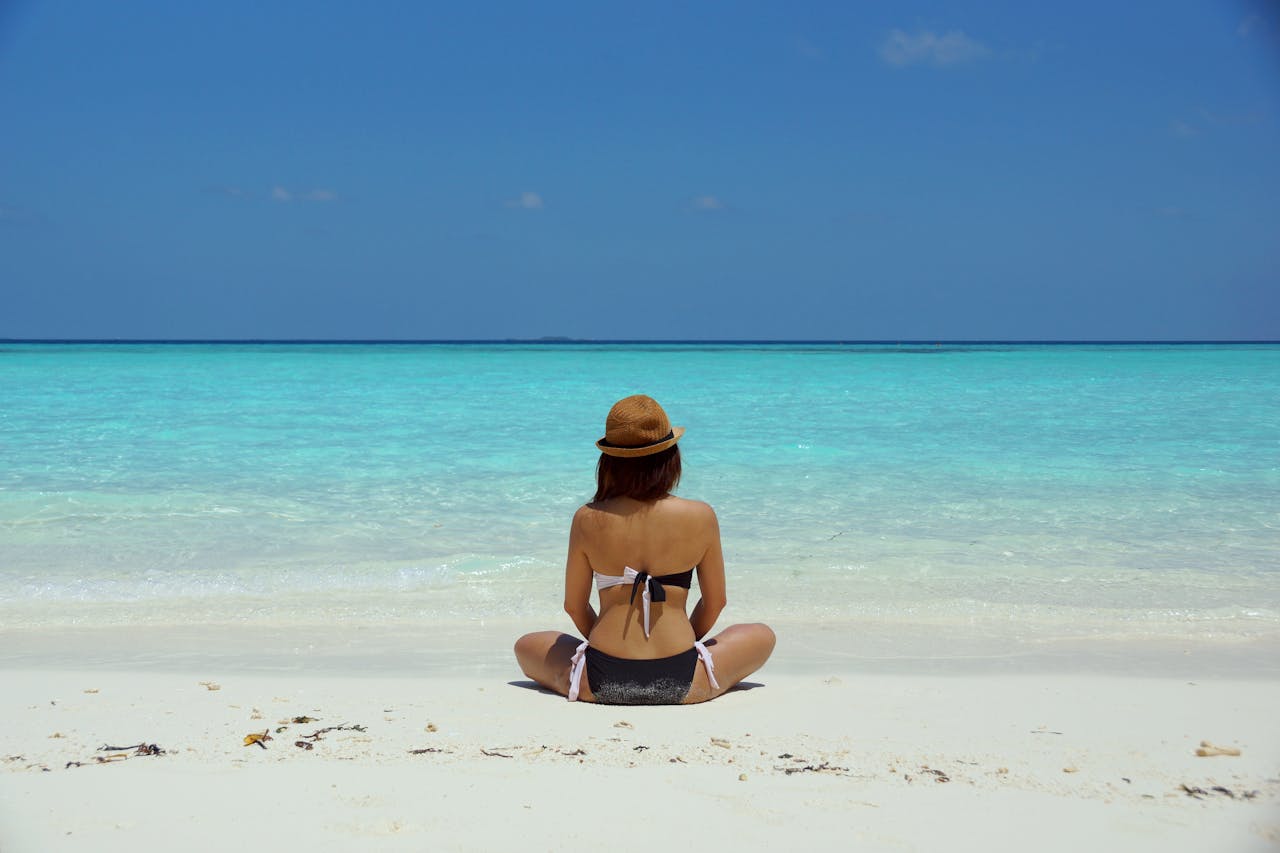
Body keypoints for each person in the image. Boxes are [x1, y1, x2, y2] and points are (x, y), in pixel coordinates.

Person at [514, 395, 775, 704]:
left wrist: (610, 644)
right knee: (761, 635)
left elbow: (574, 606)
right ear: (670, 458)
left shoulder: (588, 518)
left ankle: (590, 678)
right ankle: (696, 676)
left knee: (526, 645)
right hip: (683, 676)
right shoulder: (700, 515)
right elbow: (716, 602)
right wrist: (682, 643)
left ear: (608, 462)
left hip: (601, 677)